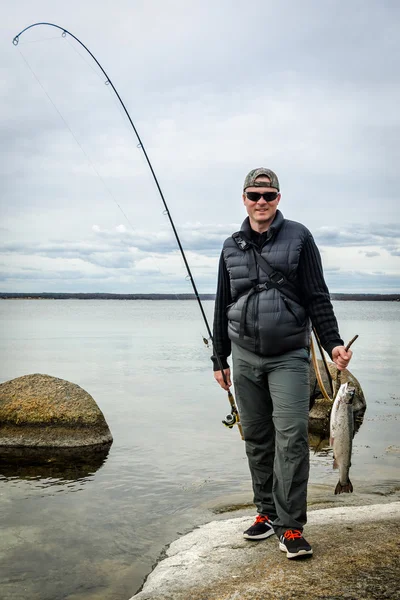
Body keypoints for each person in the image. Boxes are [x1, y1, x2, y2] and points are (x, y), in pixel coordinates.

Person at [212, 167, 352, 559]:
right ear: (243, 199)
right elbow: (222, 304)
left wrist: (333, 343)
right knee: (257, 438)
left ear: (279, 199)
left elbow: (317, 296)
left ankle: (290, 527)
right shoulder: (231, 245)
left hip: (290, 355)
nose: (261, 202)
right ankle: (266, 512)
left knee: (291, 439)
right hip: (243, 357)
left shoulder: (300, 237)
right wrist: (218, 359)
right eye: (254, 195)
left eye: (268, 195)